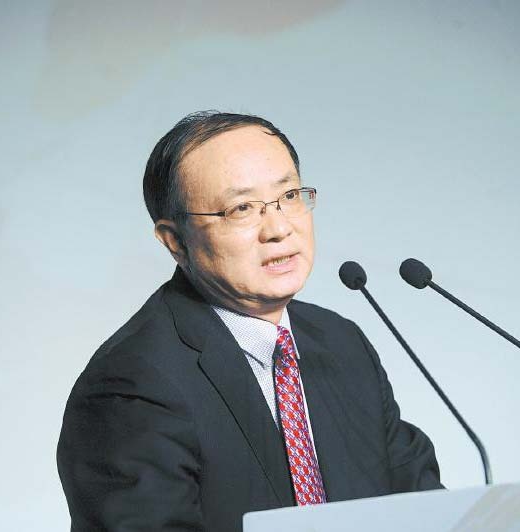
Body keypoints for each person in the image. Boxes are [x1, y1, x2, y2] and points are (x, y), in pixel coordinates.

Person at [57, 111, 442, 532]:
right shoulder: (131, 386)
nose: (278, 228)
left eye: (289, 195)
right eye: (241, 208)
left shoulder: (341, 342)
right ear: (175, 241)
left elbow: (422, 506)